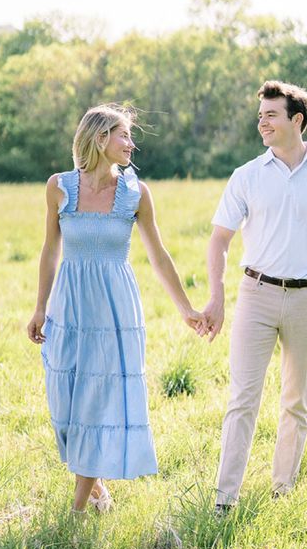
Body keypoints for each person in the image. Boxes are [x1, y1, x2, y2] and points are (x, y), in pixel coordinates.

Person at [27, 103, 204, 515]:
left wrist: (186, 309)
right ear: (100, 138)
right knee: (66, 404)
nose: (131, 144)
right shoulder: (59, 187)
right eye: (124, 135)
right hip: (69, 305)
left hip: (114, 309)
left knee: (96, 397)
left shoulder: (135, 193)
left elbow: (158, 256)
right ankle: (96, 486)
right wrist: (39, 307)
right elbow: (50, 249)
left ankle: (76, 512)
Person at [202, 80, 307, 514]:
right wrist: (216, 297)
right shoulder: (247, 176)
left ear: (297, 120)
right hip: (255, 295)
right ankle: (224, 499)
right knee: (242, 399)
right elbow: (218, 241)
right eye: (260, 116)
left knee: (296, 400)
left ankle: (282, 493)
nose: (262, 122)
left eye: (271, 115)